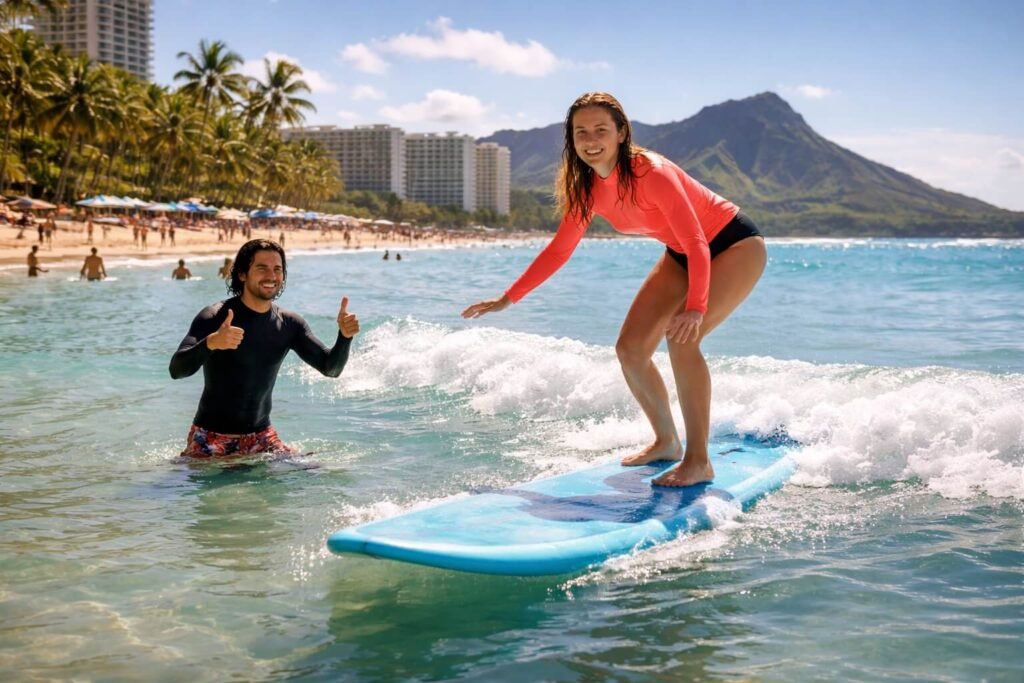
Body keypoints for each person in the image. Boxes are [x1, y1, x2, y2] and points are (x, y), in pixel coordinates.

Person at [462, 92, 767, 488]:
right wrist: (509, 297)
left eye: (601, 129)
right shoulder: (585, 187)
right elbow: (561, 249)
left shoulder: (651, 172)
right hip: (680, 253)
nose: (591, 139)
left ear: (622, 133)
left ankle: (699, 461)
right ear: (570, 139)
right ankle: (667, 442)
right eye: (581, 131)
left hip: (733, 245)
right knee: (630, 349)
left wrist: (694, 308)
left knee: (682, 339)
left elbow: (697, 240)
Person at [169, 239, 360, 458]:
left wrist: (344, 337)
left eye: (277, 269)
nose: (271, 276)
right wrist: (211, 343)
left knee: (316, 472)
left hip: (262, 438)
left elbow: (330, 369)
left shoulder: (289, 324)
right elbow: (176, 370)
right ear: (242, 274)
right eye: (262, 268)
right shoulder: (215, 316)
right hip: (212, 438)